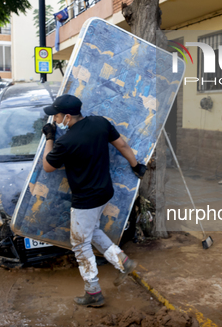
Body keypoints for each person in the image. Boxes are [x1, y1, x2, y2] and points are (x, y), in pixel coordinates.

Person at [41, 95, 147, 308]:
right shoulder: (101, 122)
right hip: (104, 192)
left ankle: (93, 291)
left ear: (68, 116)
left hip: (86, 199)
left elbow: (47, 166)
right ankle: (123, 262)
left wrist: (50, 137)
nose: (55, 118)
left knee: (79, 244)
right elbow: (123, 145)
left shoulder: (65, 141)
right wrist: (136, 165)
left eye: (57, 115)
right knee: (91, 230)